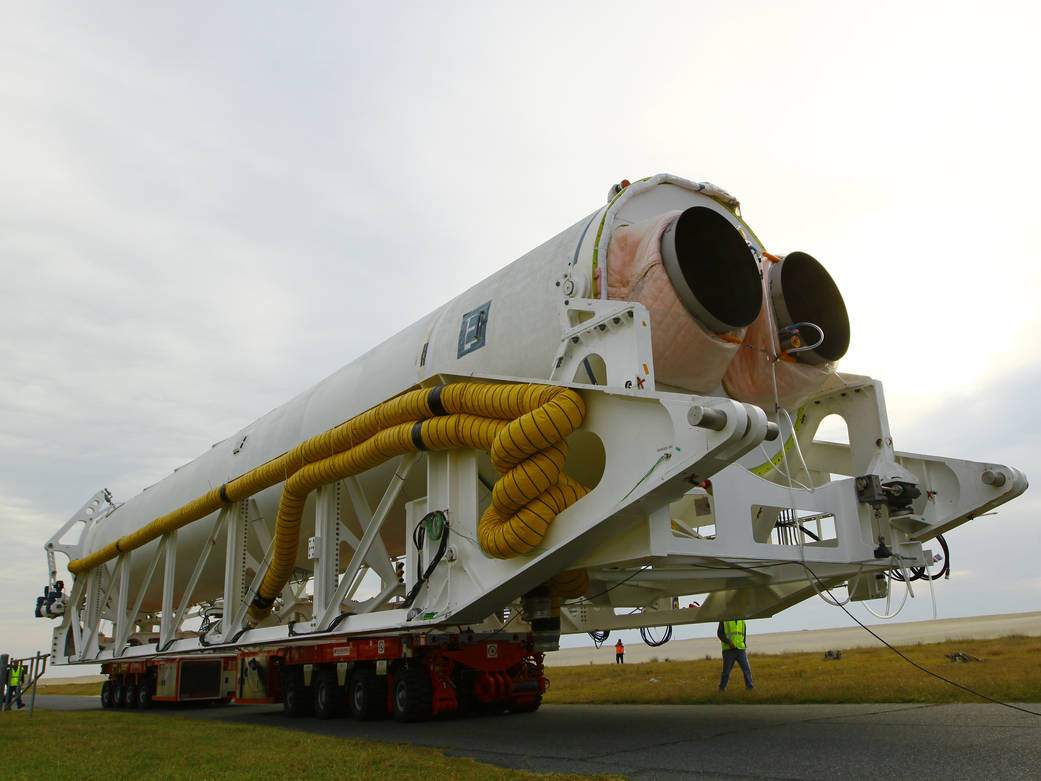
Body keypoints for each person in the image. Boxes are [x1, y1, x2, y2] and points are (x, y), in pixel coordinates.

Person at [717, 619, 753, 691]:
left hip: (740, 649)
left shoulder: (742, 620)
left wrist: (744, 644)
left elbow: (743, 633)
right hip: (728, 650)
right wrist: (729, 642)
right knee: (726, 671)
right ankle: (721, 688)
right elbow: (720, 634)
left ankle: (750, 688)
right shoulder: (724, 619)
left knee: (747, 670)